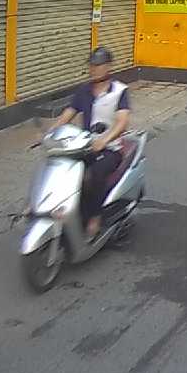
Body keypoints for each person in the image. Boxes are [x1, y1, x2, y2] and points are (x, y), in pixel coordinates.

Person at [53, 47, 132, 240]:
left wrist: (105, 139)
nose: (94, 69)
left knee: (95, 173)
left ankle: (95, 217)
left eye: (99, 65)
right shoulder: (84, 91)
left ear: (108, 67)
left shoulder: (120, 91)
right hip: (84, 146)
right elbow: (68, 114)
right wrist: (50, 133)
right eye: (92, 66)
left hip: (110, 148)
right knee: (64, 170)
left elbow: (122, 122)